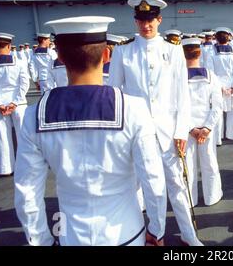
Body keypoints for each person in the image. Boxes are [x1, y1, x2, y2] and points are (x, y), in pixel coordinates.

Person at [14, 16, 166, 246]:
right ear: (107, 55)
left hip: (70, 235)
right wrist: (157, 230)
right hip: (126, 234)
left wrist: (41, 241)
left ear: (61, 57)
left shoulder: (34, 116)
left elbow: (26, 195)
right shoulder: (134, 109)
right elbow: (153, 180)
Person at [109, 0, 202, 246]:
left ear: (159, 20)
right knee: (150, 188)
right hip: (137, 133)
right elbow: (114, 94)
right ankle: (157, 234)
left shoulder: (173, 50)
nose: (145, 25)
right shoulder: (123, 51)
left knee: (179, 187)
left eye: (150, 20)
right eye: (141, 20)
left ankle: (189, 235)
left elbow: (182, 95)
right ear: (136, 21)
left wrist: (181, 130)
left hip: (169, 133)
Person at [182, 38, 223, 207]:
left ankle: (189, 200)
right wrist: (206, 128)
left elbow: (175, 106)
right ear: (199, 53)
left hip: (186, 128)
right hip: (207, 129)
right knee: (210, 163)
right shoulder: (211, 76)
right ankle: (212, 196)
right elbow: (218, 105)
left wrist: (192, 128)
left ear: (183, 55)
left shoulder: (178, 77)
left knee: (188, 166)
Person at [0, 33, 29, 176]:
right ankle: (25, 166)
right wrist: (15, 102)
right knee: (22, 136)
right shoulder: (18, 61)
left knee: (2, 137)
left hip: (0, 104)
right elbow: (24, 83)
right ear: (9, 45)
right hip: (18, 104)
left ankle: (6, 168)